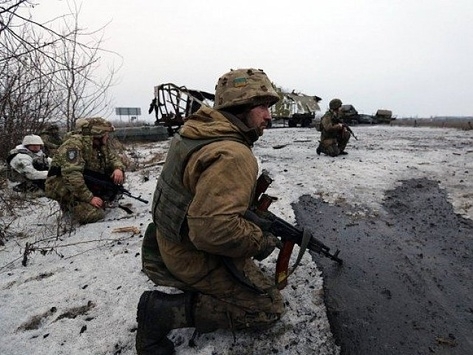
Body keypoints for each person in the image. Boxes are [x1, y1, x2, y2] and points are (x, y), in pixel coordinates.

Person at [136, 68, 285, 355]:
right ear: (240, 108)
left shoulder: (197, 131)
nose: (269, 116)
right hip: (190, 253)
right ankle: (160, 313)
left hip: (168, 240)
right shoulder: (233, 154)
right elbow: (213, 231)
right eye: (263, 106)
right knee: (268, 307)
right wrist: (260, 240)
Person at [45, 117, 125, 224]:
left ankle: (88, 199)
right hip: (63, 184)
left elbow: (113, 159)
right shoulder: (73, 145)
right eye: (106, 134)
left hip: (86, 181)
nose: (107, 137)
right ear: (98, 134)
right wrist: (90, 198)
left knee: (115, 178)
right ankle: (72, 206)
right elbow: (72, 175)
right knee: (95, 214)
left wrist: (118, 169)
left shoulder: (99, 144)